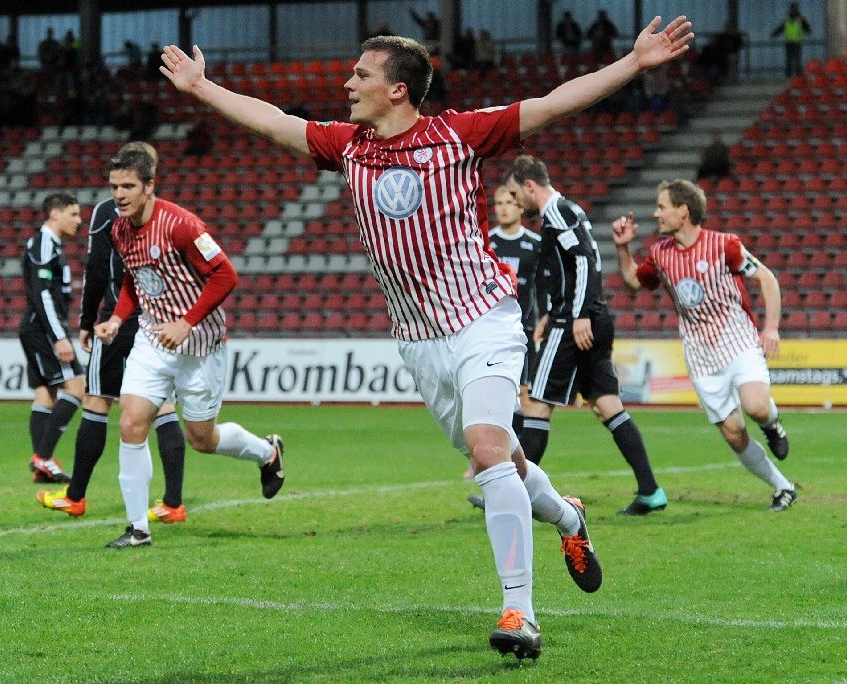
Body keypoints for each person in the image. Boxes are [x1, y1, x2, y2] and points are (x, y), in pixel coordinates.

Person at [159, 15, 692, 658]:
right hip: (419, 341)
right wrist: (201, 87)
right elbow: (273, 122)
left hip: (483, 317)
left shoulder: (457, 135)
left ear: (398, 90)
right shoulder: (348, 145)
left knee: (489, 449)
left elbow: (553, 103)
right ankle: (567, 516)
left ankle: (519, 613)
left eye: (360, 74)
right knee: (505, 462)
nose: (348, 83)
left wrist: (633, 63)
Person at [93, 148, 285, 549]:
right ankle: (138, 529)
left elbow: (225, 275)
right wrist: (117, 318)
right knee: (130, 422)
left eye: (128, 186)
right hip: (152, 340)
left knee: (202, 439)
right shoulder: (119, 230)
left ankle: (267, 453)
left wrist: (187, 322)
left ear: (149, 186)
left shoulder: (182, 226)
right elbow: (134, 280)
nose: (119, 195)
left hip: (199, 346)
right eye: (114, 187)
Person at [612, 180, 796, 512]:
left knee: (756, 406)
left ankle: (772, 424)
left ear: (683, 211)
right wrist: (623, 248)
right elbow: (633, 282)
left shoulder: (726, 245)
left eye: (662, 206)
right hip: (701, 357)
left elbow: (767, 278)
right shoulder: (660, 254)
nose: (656, 213)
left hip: (738, 342)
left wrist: (771, 328)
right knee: (734, 434)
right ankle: (783, 487)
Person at [505, 155, 667, 516]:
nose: (516, 202)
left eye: (516, 195)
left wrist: (575, 314)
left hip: (574, 321)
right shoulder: (569, 210)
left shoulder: (557, 211)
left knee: (535, 405)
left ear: (530, 185)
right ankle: (650, 491)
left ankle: (512, 497)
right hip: (591, 315)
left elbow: (582, 261)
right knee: (608, 406)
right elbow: (571, 266)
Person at [37, 142, 188, 524]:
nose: (120, 192)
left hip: (117, 319)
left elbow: (97, 267)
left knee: (97, 401)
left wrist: (88, 320)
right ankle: (173, 502)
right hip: (158, 318)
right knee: (163, 406)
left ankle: (76, 496)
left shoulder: (109, 212)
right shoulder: (166, 213)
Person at [464, 186, 541, 483]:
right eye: (499, 202)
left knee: (522, 397)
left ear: (521, 207)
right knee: (495, 397)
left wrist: (545, 319)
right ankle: (494, 459)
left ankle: (513, 464)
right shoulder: (486, 243)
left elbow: (543, 288)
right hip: (489, 332)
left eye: (510, 202)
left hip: (524, 331)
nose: (504, 208)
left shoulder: (535, 244)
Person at [19, 192, 85, 485]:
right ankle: (43, 457)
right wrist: (59, 337)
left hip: (36, 326)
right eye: (73, 214)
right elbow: (42, 293)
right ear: (55, 214)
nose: (78, 221)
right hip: (43, 328)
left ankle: (42, 466)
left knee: (46, 393)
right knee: (77, 386)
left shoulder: (50, 244)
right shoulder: (44, 243)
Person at [772, 3, 811, 77]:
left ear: (797, 9)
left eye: (795, 8)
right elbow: (781, 28)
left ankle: (799, 77)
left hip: (797, 42)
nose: (793, 10)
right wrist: (775, 34)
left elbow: (807, 27)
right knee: (789, 60)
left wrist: (808, 31)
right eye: (792, 8)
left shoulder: (801, 19)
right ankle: (788, 76)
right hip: (789, 42)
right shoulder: (787, 19)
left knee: (797, 60)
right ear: (790, 9)